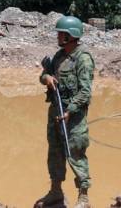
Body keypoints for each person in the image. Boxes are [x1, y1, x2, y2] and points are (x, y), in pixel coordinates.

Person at [35, 16, 95, 208]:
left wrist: (70, 110)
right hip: (55, 114)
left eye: (61, 33)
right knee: (55, 153)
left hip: (73, 118)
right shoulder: (59, 56)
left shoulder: (83, 59)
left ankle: (83, 197)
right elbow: (44, 75)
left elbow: (85, 92)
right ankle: (56, 191)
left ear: (71, 36)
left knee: (75, 154)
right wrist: (46, 78)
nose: (58, 36)